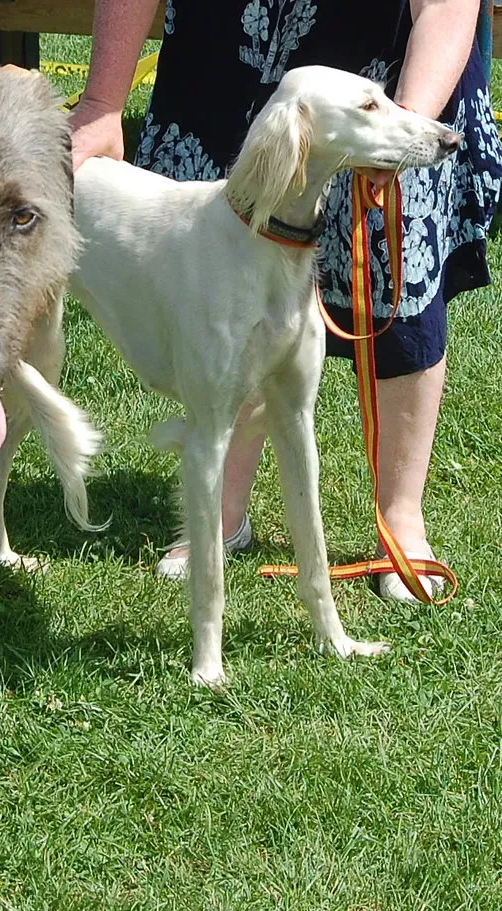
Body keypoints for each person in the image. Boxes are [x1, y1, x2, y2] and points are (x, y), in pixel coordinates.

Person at [70, 0, 502, 600]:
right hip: (229, 50)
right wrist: (101, 100)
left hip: (388, 55)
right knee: (217, 285)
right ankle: (221, 510)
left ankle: (400, 522)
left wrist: (405, 125)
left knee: (396, 278)